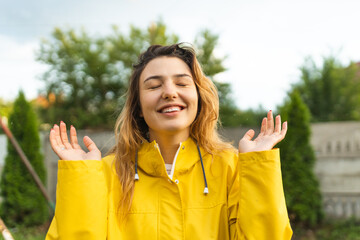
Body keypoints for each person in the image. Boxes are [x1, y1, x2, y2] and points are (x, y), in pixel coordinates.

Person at [45, 43, 293, 240]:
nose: (169, 92)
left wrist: (258, 167)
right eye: (153, 86)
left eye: (182, 83)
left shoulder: (232, 168)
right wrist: (82, 179)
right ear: (138, 107)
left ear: (198, 97)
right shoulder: (104, 175)